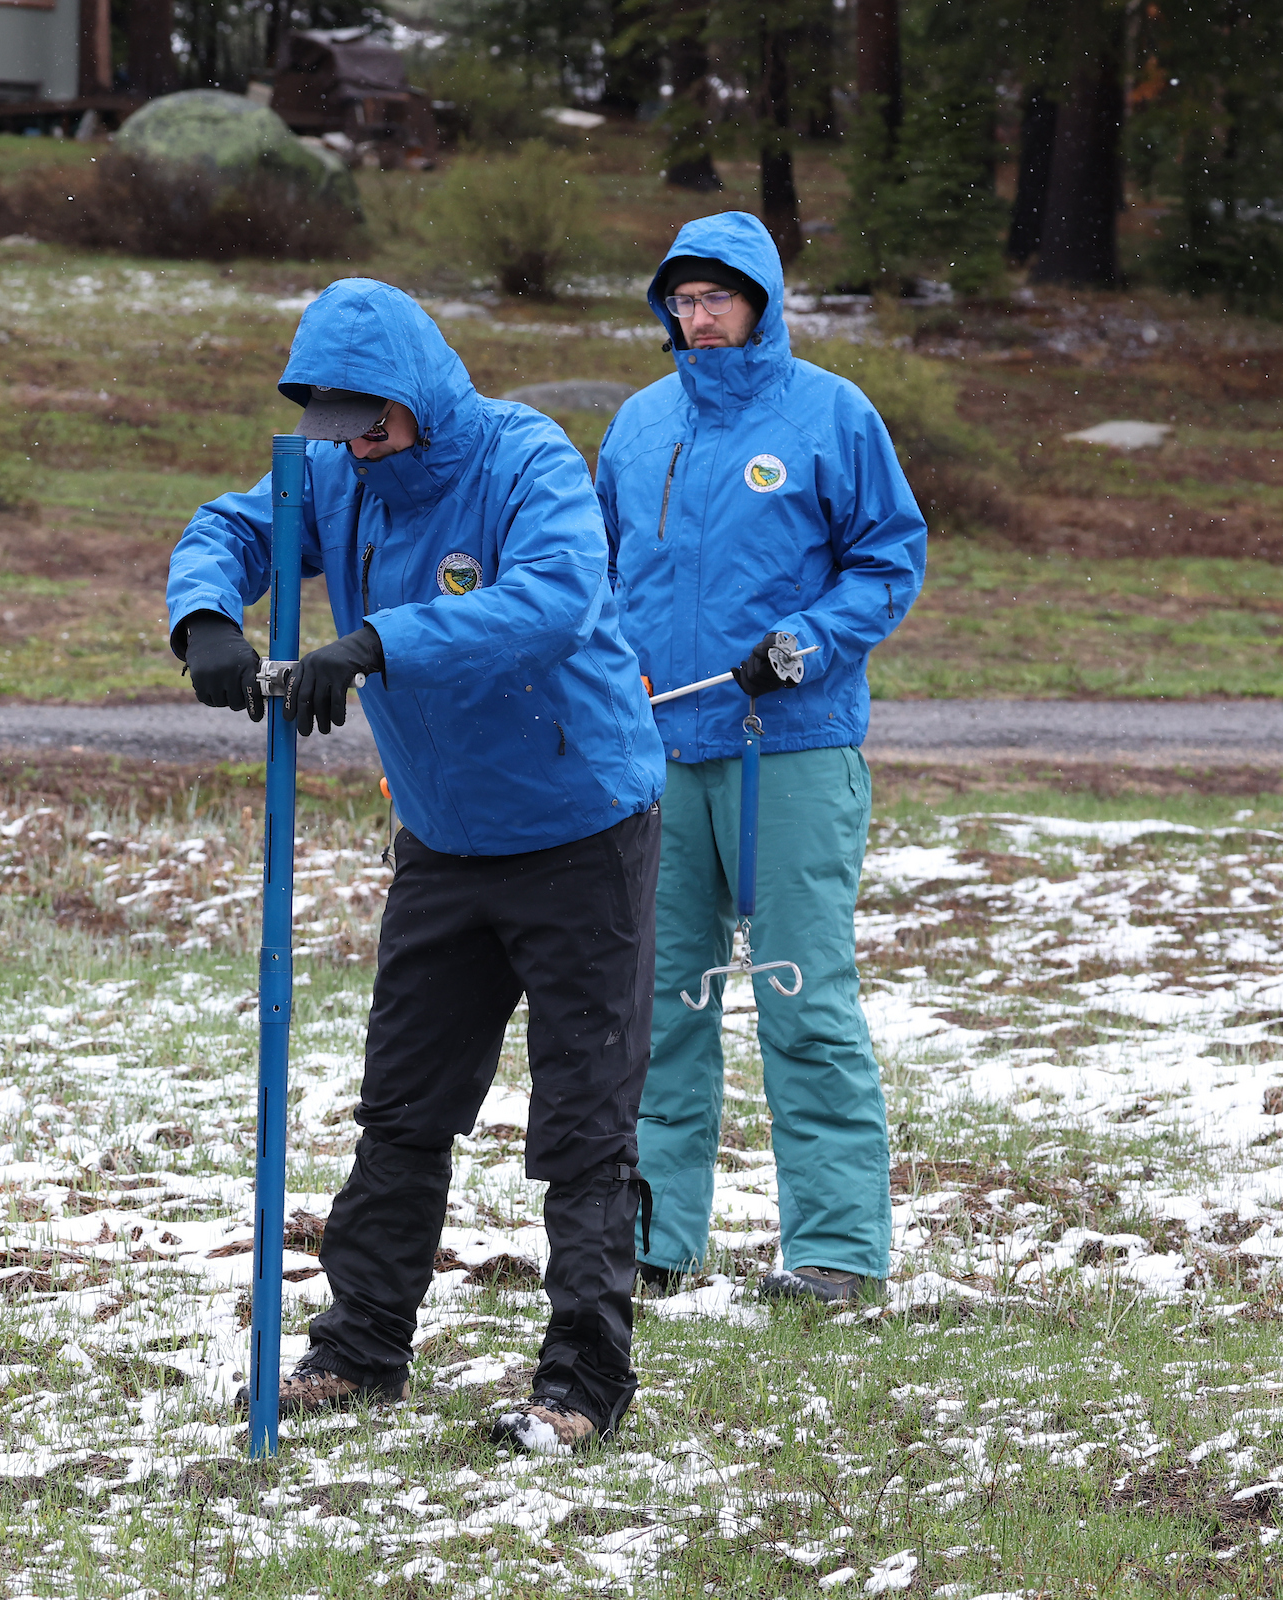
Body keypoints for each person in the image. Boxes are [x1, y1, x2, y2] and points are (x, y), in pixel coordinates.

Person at [166, 279, 667, 1453]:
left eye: (373, 419)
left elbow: (551, 600)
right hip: (446, 842)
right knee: (402, 1106)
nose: (356, 443)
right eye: (336, 423)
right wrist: (207, 617)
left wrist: (378, 643)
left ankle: (583, 1379)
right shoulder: (336, 473)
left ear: (418, 394)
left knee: (583, 1119)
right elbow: (233, 528)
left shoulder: (523, 458)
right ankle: (359, 1349)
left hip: (581, 830)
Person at [596, 215, 927, 1308]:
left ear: (761, 301)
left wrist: (807, 642)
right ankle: (654, 1241)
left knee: (801, 996)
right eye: (681, 301)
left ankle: (835, 1251)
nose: (698, 319)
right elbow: (598, 576)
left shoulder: (831, 413)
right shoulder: (640, 424)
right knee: (660, 1005)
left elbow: (889, 558)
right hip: (661, 755)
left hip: (790, 749)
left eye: (717, 299)